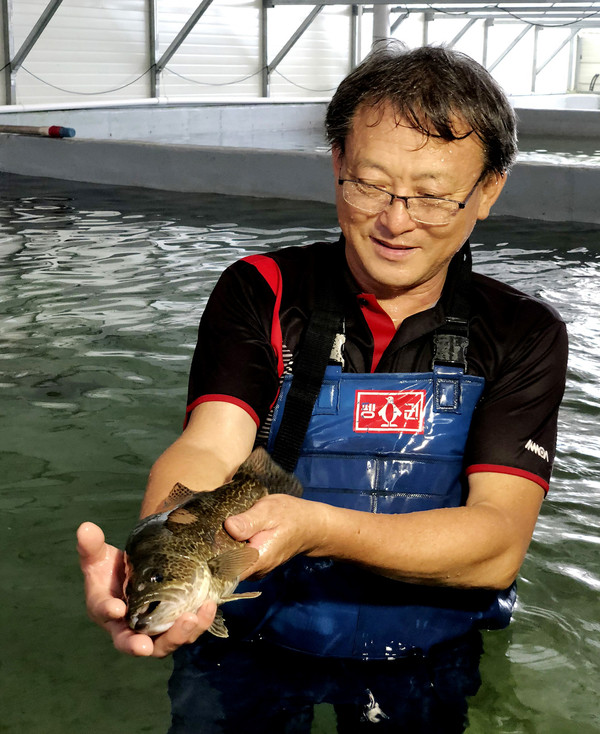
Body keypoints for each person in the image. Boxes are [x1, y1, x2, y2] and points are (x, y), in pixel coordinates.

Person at [78, 43, 568, 732]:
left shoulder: (522, 331)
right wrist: (161, 554)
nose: (396, 221)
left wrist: (317, 528)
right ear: (336, 162)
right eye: (369, 183)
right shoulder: (262, 291)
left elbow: (496, 545)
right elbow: (209, 446)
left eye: (432, 194)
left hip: (423, 655)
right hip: (250, 640)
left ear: (488, 189)